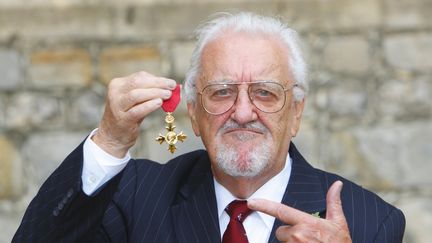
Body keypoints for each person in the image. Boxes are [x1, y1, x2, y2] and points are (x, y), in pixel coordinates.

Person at [13, 12, 405, 243]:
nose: (243, 112)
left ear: (297, 113)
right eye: (221, 92)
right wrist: (110, 140)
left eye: (266, 94)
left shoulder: (369, 221)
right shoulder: (135, 197)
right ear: (193, 113)